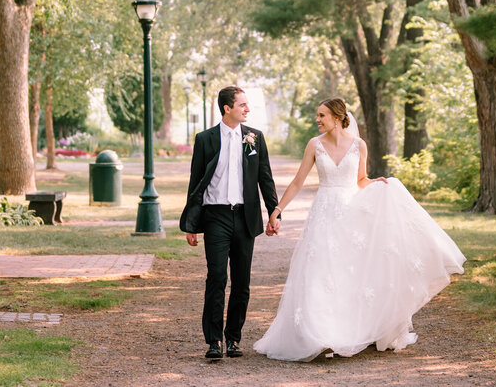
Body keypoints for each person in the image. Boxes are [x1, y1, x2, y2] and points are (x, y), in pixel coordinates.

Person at [254, 97, 465, 362]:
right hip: (324, 215)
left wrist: (375, 183)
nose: (317, 120)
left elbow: (360, 180)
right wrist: (277, 209)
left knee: (348, 273)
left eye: (322, 115)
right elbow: (298, 182)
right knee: (320, 272)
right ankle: (319, 334)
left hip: (351, 214)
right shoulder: (314, 145)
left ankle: (345, 331)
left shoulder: (358, 145)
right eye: (317, 115)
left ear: (337, 117)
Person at [180, 86, 280, 360]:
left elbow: (265, 178)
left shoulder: (254, 138)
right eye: (243, 104)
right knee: (216, 277)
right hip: (215, 217)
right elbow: (196, 181)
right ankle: (214, 341)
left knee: (241, 282)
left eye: (247, 105)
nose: (248, 109)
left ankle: (233, 339)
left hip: (245, 217)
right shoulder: (205, 139)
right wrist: (191, 224)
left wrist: (275, 212)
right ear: (227, 108)